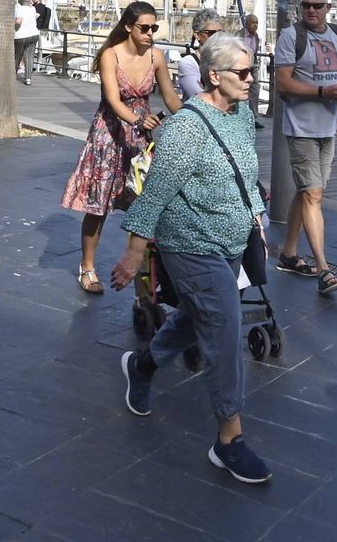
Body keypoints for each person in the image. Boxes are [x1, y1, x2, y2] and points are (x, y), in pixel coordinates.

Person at [111, 33, 272, 485]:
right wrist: (133, 254)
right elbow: (155, 194)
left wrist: (256, 216)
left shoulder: (240, 114)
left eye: (252, 70)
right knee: (223, 330)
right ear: (213, 76)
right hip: (189, 243)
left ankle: (142, 366)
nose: (251, 78)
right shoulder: (186, 128)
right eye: (242, 72)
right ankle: (229, 440)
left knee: (196, 318)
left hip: (230, 242)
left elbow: (245, 169)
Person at [63, 2, 182, 294]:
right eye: (145, 28)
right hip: (110, 134)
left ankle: (145, 279)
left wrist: (197, 117)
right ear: (129, 26)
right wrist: (137, 120)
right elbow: (113, 100)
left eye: (154, 28)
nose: (150, 33)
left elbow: (170, 97)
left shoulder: (157, 57)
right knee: (99, 205)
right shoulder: (110, 55)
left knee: (147, 204)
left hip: (143, 135)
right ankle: (87, 267)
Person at [271, 0, 337, 295]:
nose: (312, 11)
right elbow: (284, 83)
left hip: (328, 126)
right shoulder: (291, 37)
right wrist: (323, 91)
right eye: (306, 5)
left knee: (307, 192)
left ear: (328, 8)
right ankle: (323, 268)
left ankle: (289, 254)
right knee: (313, 196)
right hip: (301, 128)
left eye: (317, 6)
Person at [178, 7, 224, 102]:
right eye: (211, 33)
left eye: (220, 33)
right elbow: (197, 98)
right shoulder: (188, 63)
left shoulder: (227, 59)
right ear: (197, 35)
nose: (217, 38)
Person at [13, 0, 39, 85]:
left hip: (21, 36)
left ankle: (13, 75)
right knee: (30, 57)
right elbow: (35, 17)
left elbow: (19, 21)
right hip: (34, 34)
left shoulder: (20, 9)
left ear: (20, 1)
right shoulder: (33, 9)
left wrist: (14, 24)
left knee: (17, 56)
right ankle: (28, 78)